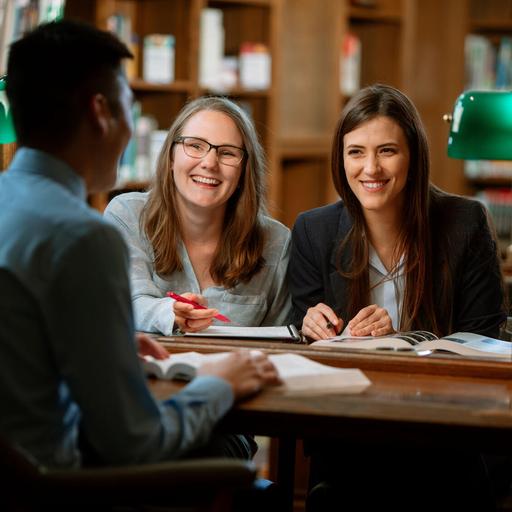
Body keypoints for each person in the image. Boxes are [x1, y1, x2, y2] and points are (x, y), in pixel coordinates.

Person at [0, 19, 281, 479]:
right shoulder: (86, 236)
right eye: (131, 105)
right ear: (100, 111)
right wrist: (218, 383)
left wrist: (105, 345)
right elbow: (134, 439)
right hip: (62, 493)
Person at [287, 83, 508, 510]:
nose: (370, 168)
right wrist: (312, 329)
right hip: (351, 434)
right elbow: (304, 344)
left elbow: (485, 342)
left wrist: (406, 337)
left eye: (387, 150)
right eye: (355, 152)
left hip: (446, 436)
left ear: (413, 156)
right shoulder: (312, 230)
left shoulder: (465, 223)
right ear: (341, 158)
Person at [104, 96, 291, 337]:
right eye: (195, 146)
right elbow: (127, 301)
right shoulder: (127, 215)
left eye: (227, 153)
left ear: (245, 169)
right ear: (171, 157)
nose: (210, 163)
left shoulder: (276, 241)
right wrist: (169, 312)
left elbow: (282, 341)